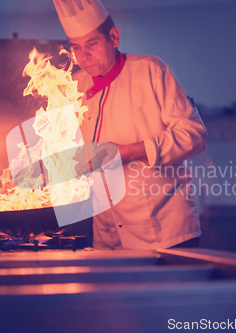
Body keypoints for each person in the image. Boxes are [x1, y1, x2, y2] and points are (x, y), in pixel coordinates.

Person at [51, 0, 207, 250]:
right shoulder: (74, 86)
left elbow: (194, 135)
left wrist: (127, 152)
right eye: (76, 48)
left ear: (114, 37)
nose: (84, 56)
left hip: (164, 232)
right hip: (107, 235)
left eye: (92, 44)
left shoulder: (151, 71)